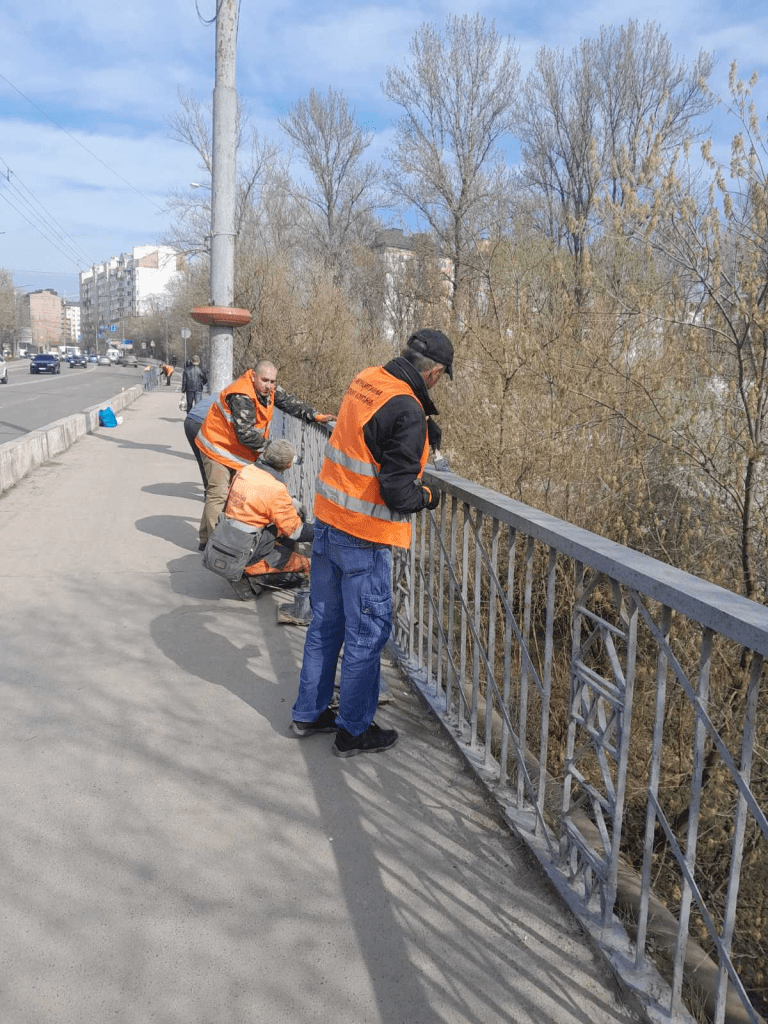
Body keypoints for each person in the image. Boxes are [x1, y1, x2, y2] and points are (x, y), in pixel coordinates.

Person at [291, 328, 453, 757]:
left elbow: (370, 435)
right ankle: (353, 731)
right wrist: (431, 496)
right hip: (363, 536)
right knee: (366, 634)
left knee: (325, 626)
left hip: (327, 522)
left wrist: (420, 431)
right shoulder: (408, 410)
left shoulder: (368, 380)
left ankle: (309, 713)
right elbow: (399, 492)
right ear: (434, 373)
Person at [195, 358, 334, 551]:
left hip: (235, 452)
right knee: (219, 495)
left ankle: (205, 539)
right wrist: (274, 451)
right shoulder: (241, 394)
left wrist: (314, 415)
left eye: (272, 381)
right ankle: (216, 547)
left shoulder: (269, 391)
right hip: (217, 447)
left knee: (231, 494)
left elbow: (289, 403)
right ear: (253, 376)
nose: (269, 385)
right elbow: (245, 434)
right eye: (264, 380)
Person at [223, 438, 314, 600]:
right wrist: (325, 529)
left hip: (229, 539)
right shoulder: (275, 489)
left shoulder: (245, 471)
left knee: (290, 517)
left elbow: (259, 498)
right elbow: (297, 532)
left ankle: (263, 564)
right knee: (308, 567)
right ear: (288, 465)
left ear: (265, 454)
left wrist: (289, 502)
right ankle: (252, 580)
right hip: (249, 552)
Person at [183, 392, 217, 490]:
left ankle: (208, 492)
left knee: (201, 460)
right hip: (200, 423)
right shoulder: (235, 399)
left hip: (189, 421)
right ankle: (213, 493)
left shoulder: (219, 394)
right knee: (212, 460)